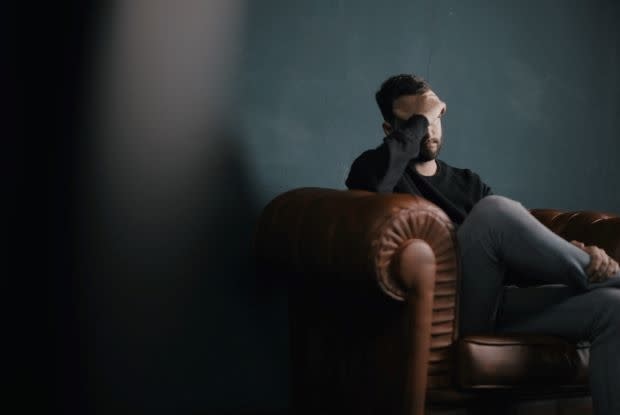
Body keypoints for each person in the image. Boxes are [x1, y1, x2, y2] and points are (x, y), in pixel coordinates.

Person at [345, 73, 620, 415]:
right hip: (449, 316)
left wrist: (569, 253)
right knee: (494, 212)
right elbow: (369, 190)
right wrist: (423, 115)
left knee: (613, 306)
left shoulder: (467, 182)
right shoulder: (374, 170)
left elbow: (512, 253)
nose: (429, 129)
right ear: (392, 130)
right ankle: (601, 273)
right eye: (418, 121)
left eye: (435, 118)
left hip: (497, 307)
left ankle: (600, 276)